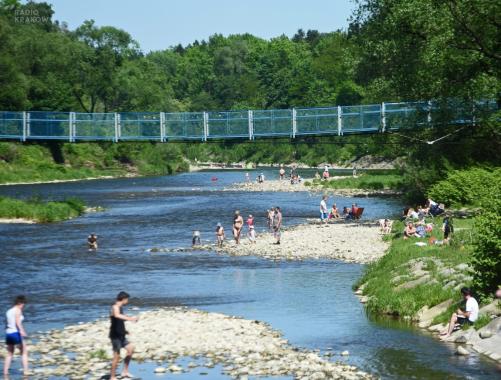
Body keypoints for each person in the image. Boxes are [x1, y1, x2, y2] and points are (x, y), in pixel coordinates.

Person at [109, 291, 138, 380]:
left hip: (121, 335)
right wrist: (130, 318)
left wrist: (125, 331)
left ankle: (125, 371)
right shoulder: (115, 307)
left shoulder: (120, 307)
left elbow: (119, 320)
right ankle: (112, 377)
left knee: (131, 349)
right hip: (115, 336)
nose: (128, 301)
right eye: (127, 299)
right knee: (116, 357)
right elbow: (117, 316)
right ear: (124, 299)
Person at [4, 295, 29, 377]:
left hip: (8, 333)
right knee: (24, 352)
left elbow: (7, 324)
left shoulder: (8, 311)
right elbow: (18, 323)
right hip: (16, 333)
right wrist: (22, 331)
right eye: (23, 303)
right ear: (19, 303)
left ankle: (5, 372)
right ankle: (26, 371)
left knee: (10, 353)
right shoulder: (17, 310)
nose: (23, 305)